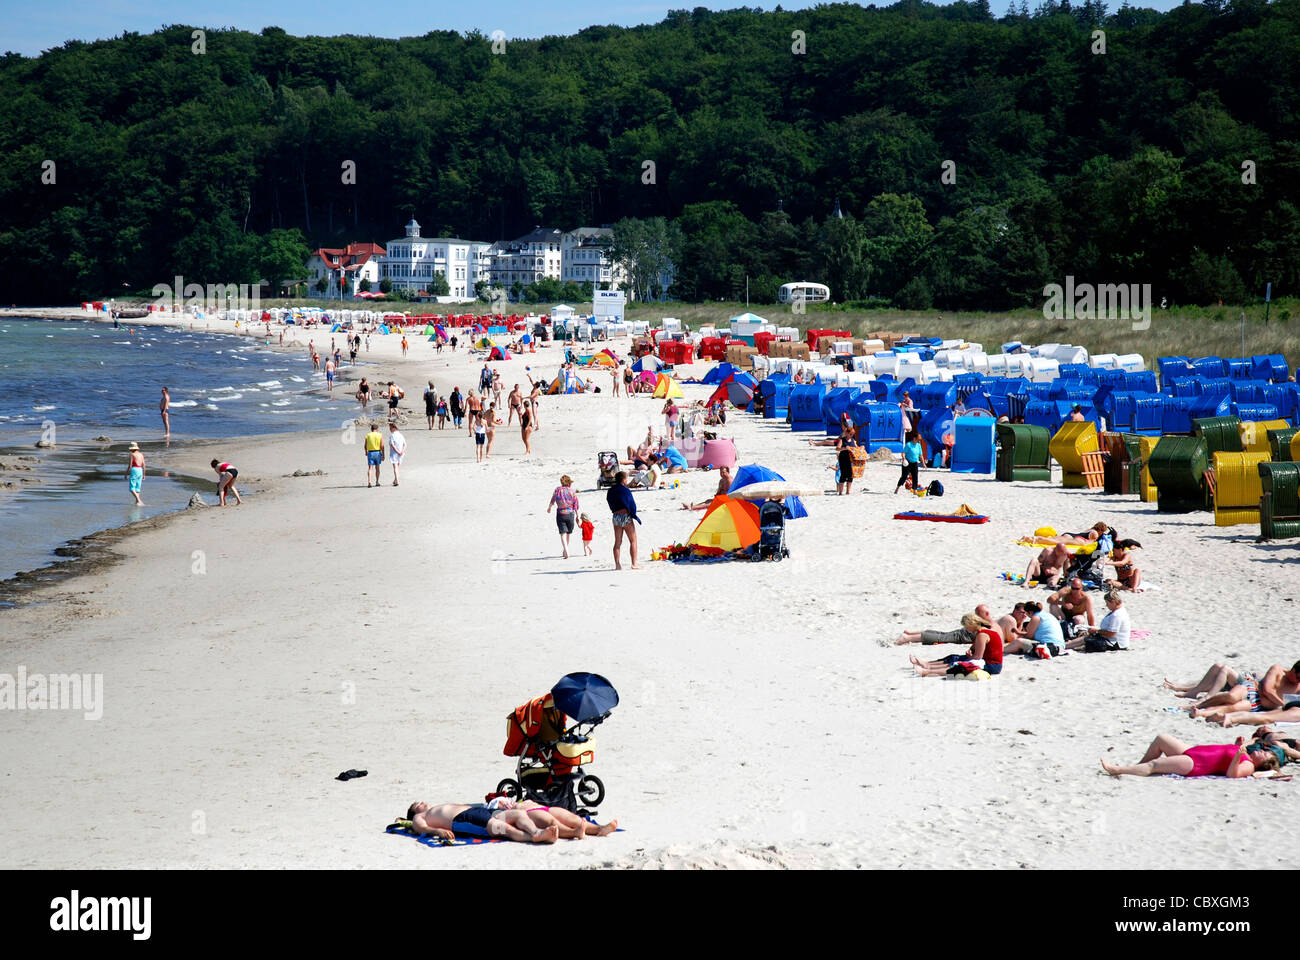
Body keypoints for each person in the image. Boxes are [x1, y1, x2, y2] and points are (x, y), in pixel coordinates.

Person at [1100, 734, 1271, 778]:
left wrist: (1237, 756)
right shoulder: (1245, 754)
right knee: (1161, 739)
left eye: (1265, 755)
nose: (1262, 751)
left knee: (1156, 764)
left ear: (1263, 764)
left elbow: (1232, 774)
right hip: (1195, 752)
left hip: (1197, 764)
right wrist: (1236, 744)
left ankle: (1119, 770)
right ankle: (1136, 768)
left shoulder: (1249, 766)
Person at [910, 621, 1003, 677]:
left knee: (958, 665)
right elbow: (975, 649)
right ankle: (927, 665)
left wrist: (969, 658)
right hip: (987, 661)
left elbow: (978, 657)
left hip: (992, 666)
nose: (966, 630)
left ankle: (927, 671)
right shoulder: (983, 633)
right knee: (954, 657)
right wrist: (970, 651)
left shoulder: (982, 635)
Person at [894, 612, 991, 647]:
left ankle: (910, 634)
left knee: (943, 634)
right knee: (942, 637)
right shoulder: (987, 628)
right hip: (965, 636)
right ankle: (907, 638)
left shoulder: (987, 625)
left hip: (966, 634)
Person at [607, 471, 641, 570]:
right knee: (633, 540)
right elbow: (631, 504)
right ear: (623, 480)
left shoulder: (610, 490)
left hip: (616, 516)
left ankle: (617, 565)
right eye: (626, 478)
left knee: (617, 542)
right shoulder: (625, 490)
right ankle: (634, 564)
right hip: (625, 516)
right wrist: (633, 514)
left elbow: (609, 501)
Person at [547, 475, 580, 558]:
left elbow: (553, 499)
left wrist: (549, 507)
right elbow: (575, 504)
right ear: (569, 483)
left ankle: (566, 550)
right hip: (570, 514)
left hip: (561, 513)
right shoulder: (572, 491)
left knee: (563, 533)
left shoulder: (557, 490)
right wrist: (577, 515)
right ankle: (566, 549)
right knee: (568, 532)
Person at [894, 430, 922, 494]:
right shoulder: (908, 444)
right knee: (904, 476)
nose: (919, 441)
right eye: (918, 439)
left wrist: (923, 463)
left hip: (914, 462)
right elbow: (903, 453)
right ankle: (897, 488)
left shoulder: (918, 445)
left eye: (920, 440)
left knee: (915, 476)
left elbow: (921, 454)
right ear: (914, 438)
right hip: (907, 462)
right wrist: (903, 458)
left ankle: (915, 490)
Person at [364, 422, 384, 487]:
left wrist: (366, 451)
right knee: (377, 468)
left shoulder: (368, 435)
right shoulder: (380, 435)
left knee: (370, 468)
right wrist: (383, 454)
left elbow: (365, 445)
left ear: (371, 429)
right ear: (377, 429)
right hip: (377, 452)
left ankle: (369, 481)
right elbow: (382, 446)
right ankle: (377, 482)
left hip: (370, 452)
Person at [388, 422, 406, 486]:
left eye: (390, 428)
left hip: (394, 453)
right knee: (398, 467)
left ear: (394, 428)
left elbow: (392, 445)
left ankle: (397, 481)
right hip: (401, 453)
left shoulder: (392, 435)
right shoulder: (401, 435)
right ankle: (395, 480)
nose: (389, 429)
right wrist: (402, 451)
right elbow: (405, 445)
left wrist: (398, 452)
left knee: (395, 467)